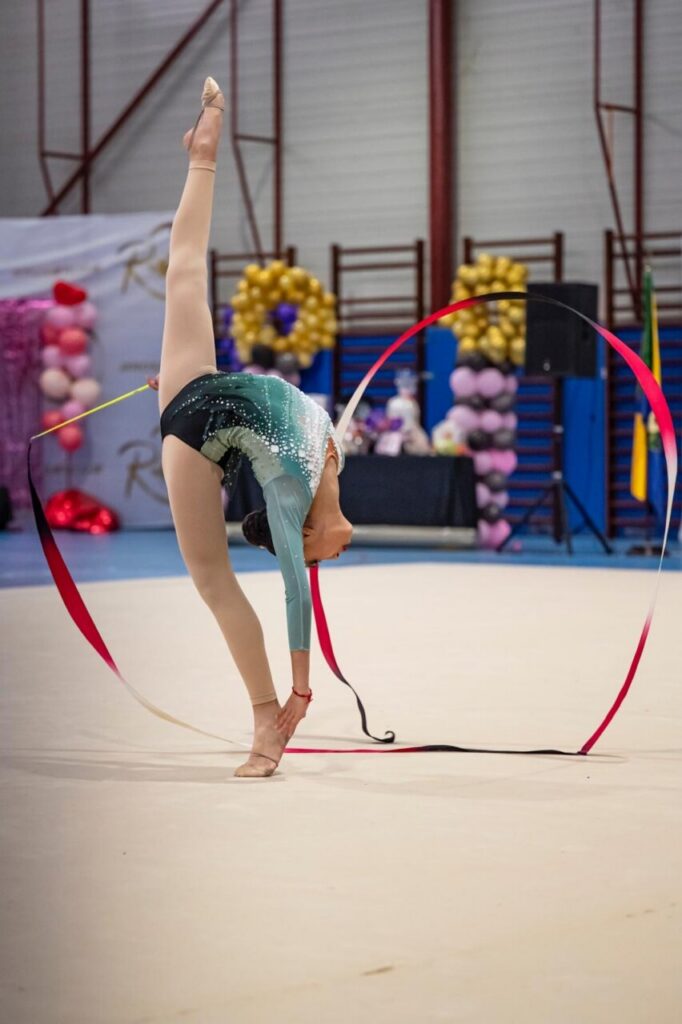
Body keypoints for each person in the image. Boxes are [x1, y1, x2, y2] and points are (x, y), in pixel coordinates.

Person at [149, 78, 352, 778]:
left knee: (185, 272)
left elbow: (297, 589)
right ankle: (202, 153)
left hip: (197, 412)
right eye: (320, 556)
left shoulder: (311, 478)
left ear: (304, 533)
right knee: (184, 272)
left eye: (316, 555)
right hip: (202, 394)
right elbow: (298, 589)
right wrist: (302, 690)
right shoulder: (327, 462)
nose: (322, 560)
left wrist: (302, 686)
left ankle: (203, 155)